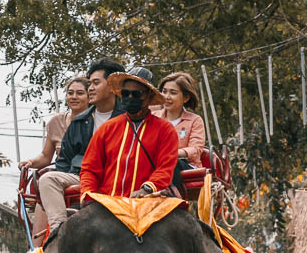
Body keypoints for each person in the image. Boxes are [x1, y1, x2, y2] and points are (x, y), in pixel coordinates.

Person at [31, 58, 123, 235]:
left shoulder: (128, 118)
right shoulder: (79, 121)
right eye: (90, 84)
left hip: (118, 179)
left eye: (96, 83)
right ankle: (59, 231)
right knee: (48, 179)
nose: (91, 88)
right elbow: (64, 160)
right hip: (83, 177)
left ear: (112, 86)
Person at [80, 66, 181, 199]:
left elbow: (165, 169)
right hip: (108, 204)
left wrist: (146, 189)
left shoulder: (165, 130)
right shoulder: (107, 128)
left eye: (136, 94)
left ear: (149, 96)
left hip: (147, 202)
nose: (130, 97)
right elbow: (89, 169)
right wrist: (88, 195)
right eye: (126, 93)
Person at [24, 75, 87, 170]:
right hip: (61, 174)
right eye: (70, 93)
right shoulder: (56, 121)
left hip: (87, 176)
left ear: (90, 97)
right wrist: (30, 162)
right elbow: (45, 156)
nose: (74, 97)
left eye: (80, 93)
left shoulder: (96, 121)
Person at [155, 71, 209, 166]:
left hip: (185, 168)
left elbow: (196, 149)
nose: (167, 97)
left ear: (186, 98)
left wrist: (172, 154)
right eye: (164, 91)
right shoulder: (153, 118)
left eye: (173, 93)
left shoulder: (195, 120)